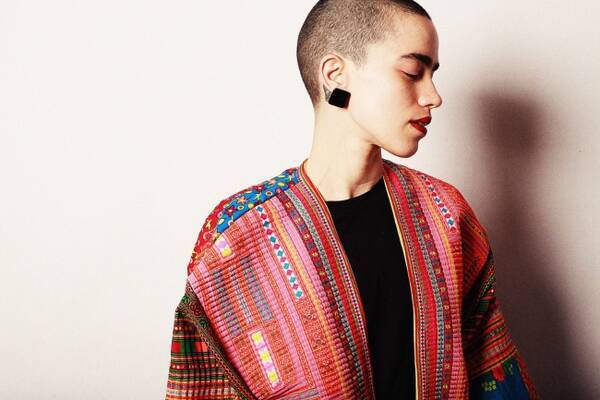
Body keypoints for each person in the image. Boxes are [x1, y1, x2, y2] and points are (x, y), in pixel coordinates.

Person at [164, 1, 539, 399]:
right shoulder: (238, 235)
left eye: (433, 75)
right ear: (335, 74)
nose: (433, 96)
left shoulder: (444, 214)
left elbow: (492, 372)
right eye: (413, 72)